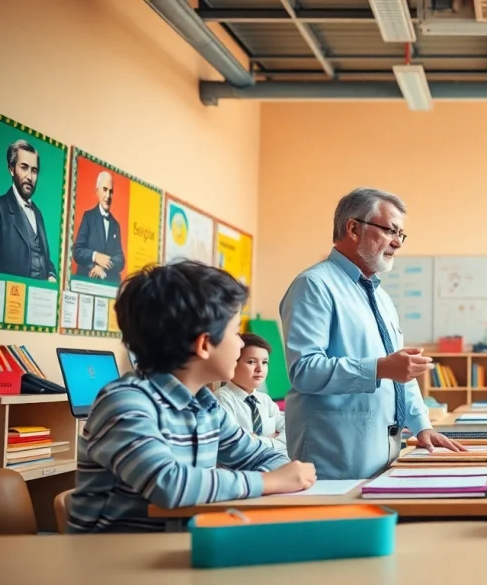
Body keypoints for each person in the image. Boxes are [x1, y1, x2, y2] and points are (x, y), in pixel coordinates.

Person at [68, 261, 316, 533]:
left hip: (184, 545)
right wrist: (271, 481)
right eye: (235, 332)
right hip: (115, 555)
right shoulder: (125, 403)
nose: (241, 343)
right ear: (204, 344)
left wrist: (282, 473)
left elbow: (259, 455)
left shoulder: (205, 406)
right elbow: (169, 484)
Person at [280, 187, 465, 481]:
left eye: (401, 234)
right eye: (390, 231)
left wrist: (422, 426)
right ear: (354, 229)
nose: (397, 243)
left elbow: (401, 370)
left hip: (385, 452)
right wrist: (380, 368)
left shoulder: (381, 296)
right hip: (335, 456)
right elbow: (304, 370)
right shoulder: (314, 285)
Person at [0, 139, 57, 281]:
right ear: (12, 169)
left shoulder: (38, 213)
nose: (29, 177)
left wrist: (51, 275)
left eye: (34, 171)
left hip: (40, 293)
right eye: (24, 167)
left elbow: (44, 258)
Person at [216, 333, 287, 454]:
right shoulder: (222, 399)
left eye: (264, 362)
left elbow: (291, 433)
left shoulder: (265, 400)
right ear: (233, 363)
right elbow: (237, 445)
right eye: (251, 362)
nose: (260, 369)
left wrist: (263, 441)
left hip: (274, 460)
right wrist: (274, 439)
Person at [73, 170, 125, 282]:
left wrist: (103, 267)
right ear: (97, 191)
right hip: (87, 282)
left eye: (111, 191)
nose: (108, 196)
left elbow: (120, 259)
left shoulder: (115, 225)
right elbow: (77, 251)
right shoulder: (88, 217)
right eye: (104, 189)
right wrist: (96, 257)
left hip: (107, 283)